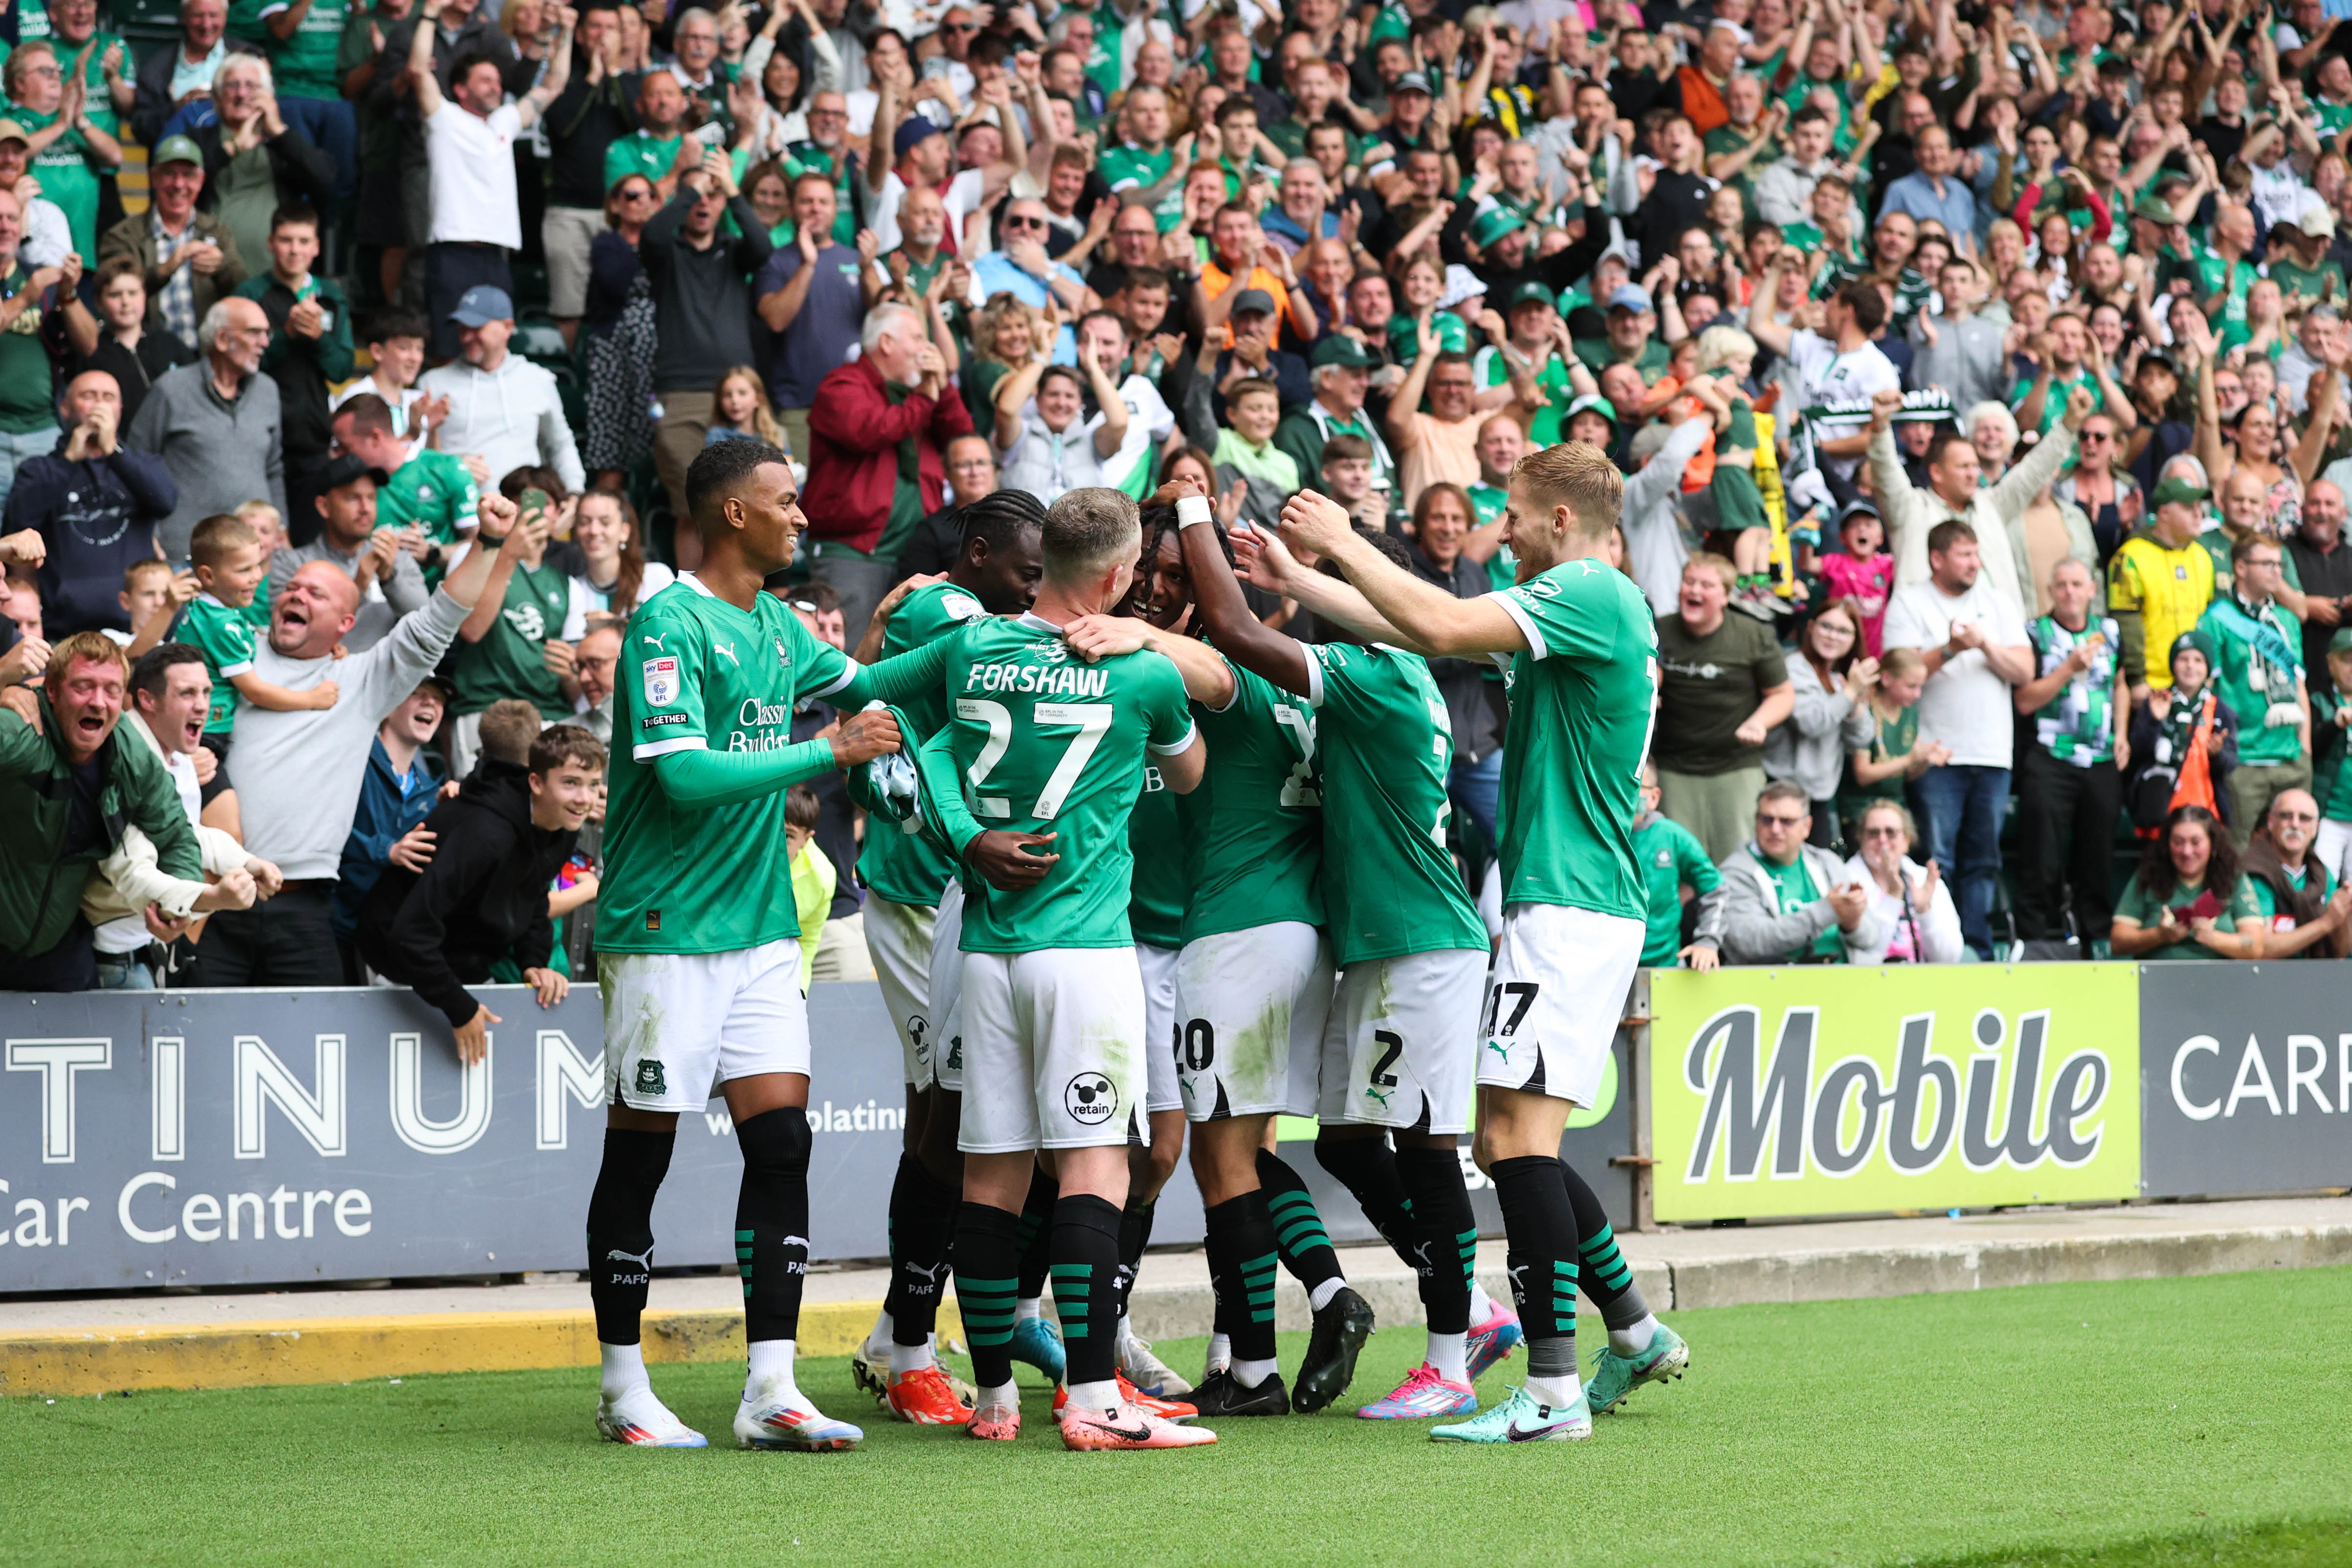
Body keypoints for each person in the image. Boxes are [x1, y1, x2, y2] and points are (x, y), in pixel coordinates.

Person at [1266, 446, 1686, 1444]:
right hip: (1573, 902)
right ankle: (1628, 1328)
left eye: (1511, 514)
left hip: (1570, 906)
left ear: (1553, 517)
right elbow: (1426, 632)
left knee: (1510, 1144)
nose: (1501, 531)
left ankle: (1550, 1389)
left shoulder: (1588, 588)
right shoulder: (1581, 610)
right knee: (1514, 1136)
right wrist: (1306, 578)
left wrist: (1345, 541)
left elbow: (1447, 619)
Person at [584, 438, 964, 1452]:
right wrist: (825, 749)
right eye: (785, 500)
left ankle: (771, 1386)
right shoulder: (669, 621)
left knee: (783, 1143)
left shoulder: (782, 625)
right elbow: (683, 776)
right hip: (664, 927)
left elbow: (877, 676)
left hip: (757, 929)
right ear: (734, 516)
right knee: (643, 1151)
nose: (803, 515)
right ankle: (624, 1384)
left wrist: (984, 631)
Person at [1132, 494, 1509, 1422]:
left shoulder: (1370, 670)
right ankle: (1395, 1305)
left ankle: (1438, 1345)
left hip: (1391, 936)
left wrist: (1188, 506)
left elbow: (1225, 634)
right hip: (1352, 939)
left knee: (1373, 1154)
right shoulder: (1338, 684)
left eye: (1330, 582)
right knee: (1333, 1141)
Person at [897, 484, 1212, 1452]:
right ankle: (1089, 1395)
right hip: (1083, 951)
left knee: (990, 1174)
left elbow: (899, 712)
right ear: (1117, 576)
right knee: (1091, 1164)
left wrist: (961, 824)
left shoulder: (974, 646)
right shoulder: (1145, 672)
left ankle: (994, 1395)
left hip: (987, 947)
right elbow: (1192, 769)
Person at [844, 487, 1044, 1425]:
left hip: (961, 896)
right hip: (920, 894)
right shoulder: (941, 610)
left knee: (948, 1109)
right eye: (1025, 570)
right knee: (948, 1114)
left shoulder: (974, 610)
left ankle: (899, 1331)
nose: (1033, 587)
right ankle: (912, 1344)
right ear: (975, 552)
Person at [200, 492, 536, 985]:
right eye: (292, 587)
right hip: (213, 901)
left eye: (316, 594)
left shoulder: (361, 680)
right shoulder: (232, 655)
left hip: (305, 908)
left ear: (345, 624)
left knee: (310, 1059)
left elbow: (439, 619)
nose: (296, 595)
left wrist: (487, 541)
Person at [359, 719, 602, 1057]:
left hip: (460, 963)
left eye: (593, 785)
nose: (584, 798)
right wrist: (460, 1008)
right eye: (571, 783)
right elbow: (410, 931)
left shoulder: (562, 822)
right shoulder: (486, 833)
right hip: (394, 961)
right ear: (536, 782)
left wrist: (533, 962)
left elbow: (530, 898)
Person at [0, 633, 202, 991]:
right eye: (83, 686)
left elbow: (176, 837)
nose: (98, 701)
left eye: (111, 690)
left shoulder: (132, 755)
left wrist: (176, 906)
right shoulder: (24, 729)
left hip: (57, 943)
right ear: (52, 691)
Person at [77, 643, 282, 989]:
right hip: (109, 961)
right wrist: (214, 898)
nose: (203, 704)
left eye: (206, 691)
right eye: (187, 693)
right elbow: (134, 875)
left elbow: (186, 834)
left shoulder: (180, 756)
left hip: (146, 951)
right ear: (148, 700)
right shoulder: (121, 759)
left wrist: (246, 862)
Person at [1882, 519, 2034, 959]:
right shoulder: (1909, 602)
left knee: (1983, 861)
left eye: (1975, 553)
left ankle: (1979, 953)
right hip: (1934, 754)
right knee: (1937, 859)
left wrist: (1984, 645)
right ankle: (1935, 951)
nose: (1974, 563)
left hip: (1991, 753)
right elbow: (1898, 675)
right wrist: (1948, 648)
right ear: (1937, 558)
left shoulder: (1997, 602)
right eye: (1964, 554)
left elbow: (2025, 671)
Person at [407, 0, 574, 359]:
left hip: (497, 258)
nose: (495, 87)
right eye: (485, 81)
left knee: (496, 357)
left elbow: (553, 85)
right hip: (453, 252)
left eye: (498, 81)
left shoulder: (504, 122)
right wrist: (430, 14)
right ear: (460, 89)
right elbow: (419, 71)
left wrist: (567, 31)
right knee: (450, 351)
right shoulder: (444, 120)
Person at [801, 301, 973, 646]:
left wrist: (941, 385)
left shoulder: (919, 391)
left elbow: (960, 434)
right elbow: (870, 430)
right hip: (854, 551)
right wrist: (926, 395)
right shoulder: (840, 385)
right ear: (886, 342)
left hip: (914, 550)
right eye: (916, 338)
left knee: (906, 655)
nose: (926, 348)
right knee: (850, 654)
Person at [641, 154, 775, 544]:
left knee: (740, 510)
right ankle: (695, 602)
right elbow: (651, 234)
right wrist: (696, 187)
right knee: (692, 508)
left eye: (712, 196)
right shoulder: (666, 253)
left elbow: (763, 247)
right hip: (679, 395)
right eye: (696, 196)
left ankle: (733, 600)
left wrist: (731, 191)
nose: (703, 203)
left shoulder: (735, 250)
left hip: (735, 396)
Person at [2012, 557, 2131, 949]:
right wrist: (2067, 668)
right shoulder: (2034, 633)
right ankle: (2034, 938)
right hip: (2051, 756)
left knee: (2097, 856)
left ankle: (2094, 939)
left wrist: (2122, 733)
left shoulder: (2109, 631)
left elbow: (2120, 683)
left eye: (2077, 584)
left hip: (2099, 760)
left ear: (2092, 589)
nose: (2070, 592)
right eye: (2061, 585)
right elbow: (2025, 701)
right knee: (2041, 854)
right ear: (2050, 591)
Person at [4, 369, 176, 638]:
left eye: (108, 397)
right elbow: (18, 521)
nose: (99, 405)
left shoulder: (143, 463)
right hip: (63, 630)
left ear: (120, 410)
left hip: (138, 631)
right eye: (88, 396)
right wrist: (68, 461)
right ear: (65, 408)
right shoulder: (40, 469)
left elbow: (166, 502)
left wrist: (116, 453)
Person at [1652, 554, 1794, 864]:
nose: (1695, 591)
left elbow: (1783, 694)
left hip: (1736, 767)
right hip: (1675, 768)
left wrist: (1759, 723)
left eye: (1707, 585)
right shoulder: (1659, 630)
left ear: (1726, 596)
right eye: (1689, 582)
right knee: (1680, 865)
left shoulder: (1753, 634)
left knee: (1736, 863)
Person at [124, 296, 286, 565]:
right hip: (185, 555)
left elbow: (274, 469)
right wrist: (147, 532)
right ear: (222, 340)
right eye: (254, 333)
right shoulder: (171, 390)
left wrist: (282, 528)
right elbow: (136, 467)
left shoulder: (268, 391)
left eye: (266, 333)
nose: (265, 343)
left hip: (254, 559)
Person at [233, 205, 353, 540]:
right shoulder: (250, 293)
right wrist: (284, 334)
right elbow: (236, 364)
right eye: (286, 240)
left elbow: (342, 369)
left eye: (303, 241)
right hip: (258, 437)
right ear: (270, 243)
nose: (295, 249)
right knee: (255, 541)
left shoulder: (330, 294)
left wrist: (319, 338)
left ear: (317, 246)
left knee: (306, 538)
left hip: (311, 439)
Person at [415, 285, 586, 494]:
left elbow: (561, 444)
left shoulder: (537, 379)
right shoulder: (432, 383)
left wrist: (575, 493)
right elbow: (410, 455)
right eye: (462, 329)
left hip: (524, 507)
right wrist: (451, 467)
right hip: (455, 508)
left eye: (476, 328)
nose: (467, 337)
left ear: (507, 327)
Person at [2198, 534, 2312, 841]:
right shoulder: (2216, 620)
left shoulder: (2287, 621)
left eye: (2280, 564)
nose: (2278, 571)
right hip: (2244, 762)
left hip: (2291, 760)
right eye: (2267, 564)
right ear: (2241, 567)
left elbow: (2299, 685)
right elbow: (2206, 689)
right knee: (2236, 856)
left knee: (2291, 857)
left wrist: (2306, 751)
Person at [331, 677, 449, 977]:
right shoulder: (350, 757)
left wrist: (457, 810)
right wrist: (387, 850)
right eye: (417, 693)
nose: (430, 704)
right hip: (332, 929)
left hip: (386, 942)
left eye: (438, 699)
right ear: (386, 708)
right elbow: (322, 828)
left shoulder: (433, 789)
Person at [98, 135, 247, 354]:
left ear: (201, 180)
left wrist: (221, 266)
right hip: (146, 355)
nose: (179, 184)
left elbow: (243, 291)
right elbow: (113, 292)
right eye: (170, 174)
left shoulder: (217, 231)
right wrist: (166, 269)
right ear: (153, 177)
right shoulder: (123, 236)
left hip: (208, 356)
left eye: (188, 175)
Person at [1717, 779, 1889, 965]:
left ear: (1807, 827)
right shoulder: (1734, 872)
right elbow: (1750, 942)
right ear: (1756, 822)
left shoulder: (1827, 862)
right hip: (1774, 985)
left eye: (1786, 822)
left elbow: (1872, 939)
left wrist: (1852, 924)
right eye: (1767, 820)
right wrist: (1827, 912)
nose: (1775, 829)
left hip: (1840, 981)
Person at [271, 452, 429, 652]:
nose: (365, 508)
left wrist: (389, 578)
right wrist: (358, 587)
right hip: (322, 678)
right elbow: (289, 639)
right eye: (353, 498)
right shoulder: (293, 565)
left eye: (371, 498)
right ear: (324, 507)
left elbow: (426, 623)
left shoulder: (396, 558)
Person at [1762, 599, 1878, 850]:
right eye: (1826, 627)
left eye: (1844, 631)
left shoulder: (1840, 679)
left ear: (1854, 639)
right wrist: (1850, 693)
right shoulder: (1793, 668)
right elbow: (1812, 723)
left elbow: (1861, 739)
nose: (1833, 636)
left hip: (1821, 796)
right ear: (1811, 627)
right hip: (1782, 791)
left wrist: (1856, 701)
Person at [2110, 802, 2266, 960]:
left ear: (2213, 844)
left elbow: (2256, 947)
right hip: (2157, 979)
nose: (2186, 851)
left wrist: (2212, 938)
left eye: (2196, 842)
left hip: (2221, 980)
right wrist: (2160, 935)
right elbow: (2117, 942)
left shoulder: (2234, 878)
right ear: (2167, 844)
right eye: (2178, 842)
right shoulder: (2148, 876)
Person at [1623, 761, 1725, 970]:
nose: (1624, 795)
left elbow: (1716, 889)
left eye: (1634, 787)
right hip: (1600, 966)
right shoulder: (1594, 836)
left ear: (1653, 798)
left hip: (1662, 965)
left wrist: (1708, 940)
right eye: (1617, 785)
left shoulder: (1671, 836)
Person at [1840, 799, 1964, 964]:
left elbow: (1950, 959)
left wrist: (1924, 911)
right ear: (1860, 839)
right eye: (1873, 833)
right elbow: (1864, 961)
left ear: (1907, 840)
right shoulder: (1845, 882)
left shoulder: (1926, 881)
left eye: (1891, 832)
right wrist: (1892, 897)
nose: (1882, 840)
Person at [2241, 787, 2352, 957]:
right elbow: (2261, 948)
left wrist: (2344, 916)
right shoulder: (2255, 872)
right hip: (2266, 978)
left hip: (2314, 977)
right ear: (2271, 822)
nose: (2295, 824)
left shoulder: (2322, 874)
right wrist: (2326, 923)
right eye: (2286, 816)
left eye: (2305, 818)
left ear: (2316, 828)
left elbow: (2340, 953)